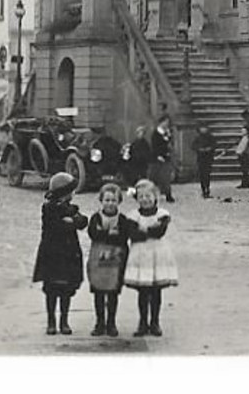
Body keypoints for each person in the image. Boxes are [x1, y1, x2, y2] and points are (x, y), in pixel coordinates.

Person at [32, 171, 88, 335]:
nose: (73, 194)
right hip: (53, 254)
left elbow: (82, 221)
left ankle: (64, 320)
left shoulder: (70, 208)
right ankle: (51, 320)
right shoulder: (49, 208)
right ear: (64, 193)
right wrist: (70, 221)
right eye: (70, 191)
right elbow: (57, 226)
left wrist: (72, 220)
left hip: (68, 253)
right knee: (51, 288)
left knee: (66, 290)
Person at [85, 181, 142, 337]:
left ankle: (111, 322)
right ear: (101, 201)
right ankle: (99, 322)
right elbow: (93, 234)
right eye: (107, 200)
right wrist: (109, 234)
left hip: (116, 261)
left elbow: (123, 237)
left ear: (119, 202)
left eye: (113, 200)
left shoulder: (122, 220)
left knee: (112, 293)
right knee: (98, 293)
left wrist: (107, 234)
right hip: (98, 259)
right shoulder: (96, 218)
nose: (110, 203)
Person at [123, 178, 178, 336]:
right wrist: (148, 231)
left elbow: (159, 232)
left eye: (148, 196)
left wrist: (144, 230)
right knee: (143, 291)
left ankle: (155, 322)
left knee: (156, 291)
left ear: (156, 197)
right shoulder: (133, 216)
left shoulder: (162, 214)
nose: (145, 200)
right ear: (137, 199)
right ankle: (142, 322)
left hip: (157, 254)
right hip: (140, 255)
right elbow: (133, 235)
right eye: (141, 197)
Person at [150, 113, 176, 202]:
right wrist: (158, 155)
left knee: (166, 177)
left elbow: (171, 143)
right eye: (165, 122)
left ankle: (168, 194)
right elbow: (155, 146)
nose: (166, 124)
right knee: (157, 177)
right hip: (158, 157)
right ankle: (157, 194)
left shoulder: (168, 132)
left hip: (166, 157)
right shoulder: (156, 133)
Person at [194, 124, 216, 199]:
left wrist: (209, 149)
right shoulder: (198, 138)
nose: (203, 129)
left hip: (208, 158)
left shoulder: (211, 137)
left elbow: (214, 145)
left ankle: (207, 188)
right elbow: (193, 146)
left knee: (207, 174)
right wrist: (199, 149)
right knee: (202, 174)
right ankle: (203, 189)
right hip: (201, 158)